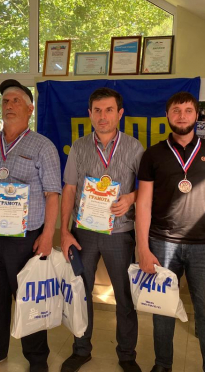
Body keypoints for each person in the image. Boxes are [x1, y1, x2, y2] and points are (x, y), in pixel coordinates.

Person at [0, 79, 62, 372]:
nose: (9, 105)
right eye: (5, 101)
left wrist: (48, 236)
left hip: (26, 239)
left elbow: (53, 194)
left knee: (30, 299)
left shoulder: (43, 146)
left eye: (16, 101)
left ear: (30, 109)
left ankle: (37, 358)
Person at [136, 91, 205, 372]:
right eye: (176, 111)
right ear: (167, 115)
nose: (182, 116)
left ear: (197, 115)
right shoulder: (153, 154)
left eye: (188, 110)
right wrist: (143, 248)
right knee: (162, 311)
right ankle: (162, 365)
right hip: (162, 243)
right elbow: (143, 203)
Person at [60, 88, 145, 372]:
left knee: (124, 296)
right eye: (97, 110)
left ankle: (127, 355)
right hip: (83, 232)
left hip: (119, 233)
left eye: (109, 110)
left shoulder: (134, 147)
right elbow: (69, 188)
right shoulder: (79, 147)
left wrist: (131, 198)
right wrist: (64, 231)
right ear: (89, 114)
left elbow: (148, 188)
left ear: (120, 113)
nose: (102, 116)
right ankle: (81, 349)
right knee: (80, 292)